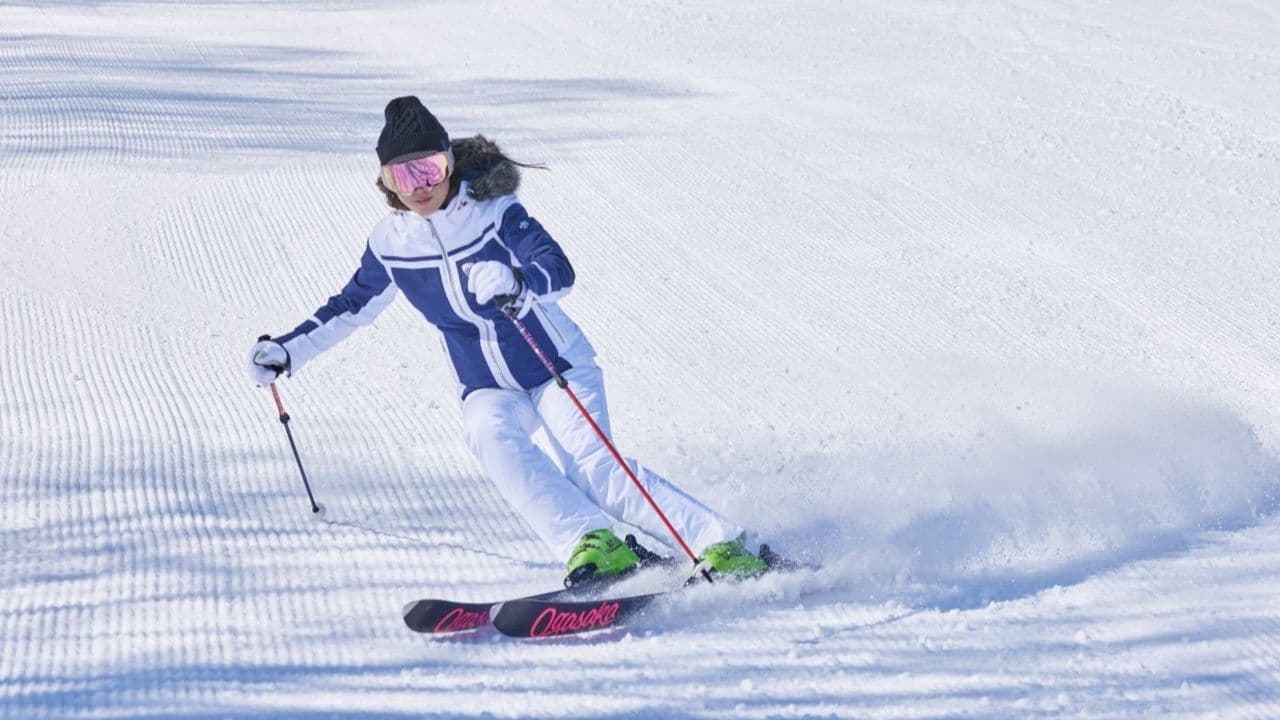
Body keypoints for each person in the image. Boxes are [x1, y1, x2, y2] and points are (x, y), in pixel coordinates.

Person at [246, 95, 767, 585]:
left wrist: (520, 285)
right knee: (491, 439)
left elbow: (558, 269)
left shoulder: (494, 213)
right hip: (486, 385)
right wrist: (289, 350)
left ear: (448, 162)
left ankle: (724, 544)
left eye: (428, 168)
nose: (419, 185)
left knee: (594, 470)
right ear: (385, 180)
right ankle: (595, 542)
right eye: (403, 174)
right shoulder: (390, 243)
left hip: (553, 367)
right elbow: (350, 307)